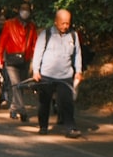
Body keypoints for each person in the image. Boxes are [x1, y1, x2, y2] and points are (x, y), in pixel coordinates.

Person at [31, 9, 84, 138]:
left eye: (68, 23)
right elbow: (38, 52)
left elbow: (77, 54)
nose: (65, 26)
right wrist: (36, 70)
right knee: (44, 102)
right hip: (47, 75)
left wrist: (78, 71)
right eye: (62, 23)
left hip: (65, 75)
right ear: (56, 22)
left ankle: (70, 128)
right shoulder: (46, 34)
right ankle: (43, 126)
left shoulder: (73, 35)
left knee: (67, 103)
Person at [0, 2, 37, 120]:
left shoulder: (31, 26)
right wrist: (0, 59)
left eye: (27, 10)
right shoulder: (9, 24)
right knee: (15, 85)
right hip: (11, 60)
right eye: (23, 9)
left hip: (25, 59)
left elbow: (35, 43)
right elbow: (2, 42)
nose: (25, 12)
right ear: (19, 10)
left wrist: (35, 60)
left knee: (21, 85)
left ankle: (14, 108)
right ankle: (22, 110)